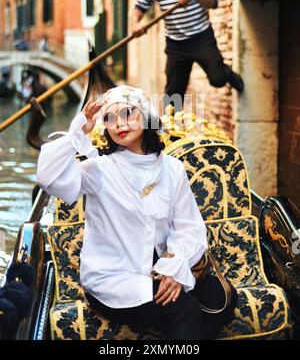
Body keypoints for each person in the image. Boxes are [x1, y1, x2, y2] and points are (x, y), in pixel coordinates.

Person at [36, 84, 237, 340]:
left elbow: (188, 226)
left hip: (162, 265)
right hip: (113, 278)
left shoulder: (172, 168)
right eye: (109, 117)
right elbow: (48, 178)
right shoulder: (98, 170)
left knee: (223, 299)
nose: (119, 123)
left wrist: (173, 268)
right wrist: (79, 130)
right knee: (183, 309)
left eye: (128, 113)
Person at [131, 0, 244, 113]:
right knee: (173, 97)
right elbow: (139, 7)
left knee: (217, 80)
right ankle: (169, 136)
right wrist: (135, 24)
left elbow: (214, 1)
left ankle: (227, 73)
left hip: (201, 38)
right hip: (175, 44)